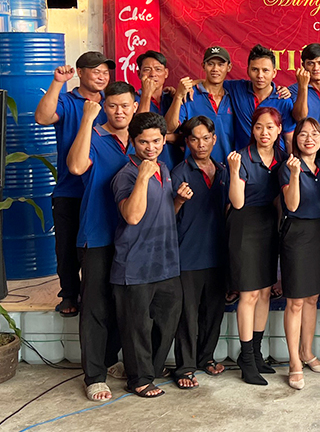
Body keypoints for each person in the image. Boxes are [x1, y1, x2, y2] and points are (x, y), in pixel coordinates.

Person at [66, 81, 137, 402]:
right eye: (112, 106)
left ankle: (111, 359)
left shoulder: (140, 141)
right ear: (103, 106)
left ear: (135, 106)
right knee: (95, 306)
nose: (119, 112)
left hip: (131, 238)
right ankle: (94, 375)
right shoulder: (92, 136)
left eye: (125, 106)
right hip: (96, 235)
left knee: (123, 303)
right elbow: (76, 166)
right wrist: (86, 119)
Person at [111, 112, 186, 398]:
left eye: (156, 141)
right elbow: (132, 216)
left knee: (167, 322)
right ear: (133, 142)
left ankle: (151, 369)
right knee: (137, 327)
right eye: (143, 142)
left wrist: (178, 201)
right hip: (135, 265)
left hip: (166, 262)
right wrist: (142, 177)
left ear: (164, 140)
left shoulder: (164, 169)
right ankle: (139, 379)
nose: (151, 147)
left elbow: (164, 212)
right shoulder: (127, 175)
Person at [35, 51, 113, 318]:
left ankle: (101, 294)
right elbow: (43, 117)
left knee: (101, 248)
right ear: (80, 72)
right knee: (67, 246)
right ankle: (69, 293)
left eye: (105, 72)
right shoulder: (68, 101)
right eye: (96, 71)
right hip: (71, 189)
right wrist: (58, 82)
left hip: (104, 189)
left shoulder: (112, 102)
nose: (102, 76)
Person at [226, 107, 285, 385]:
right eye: (259, 127)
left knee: (264, 292)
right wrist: (233, 170)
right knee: (248, 294)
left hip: (268, 225)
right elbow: (237, 202)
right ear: (252, 129)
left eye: (270, 127)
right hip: (244, 225)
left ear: (279, 130)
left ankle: (257, 353)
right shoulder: (242, 157)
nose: (264, 132)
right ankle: (246, 358)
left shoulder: (282, 157)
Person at [171, 116, 229, 388]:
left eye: (206, 138)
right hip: (188, 255)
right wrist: (179, 200)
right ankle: (185, 368)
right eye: (194, 139)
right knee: (187, 315)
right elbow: (166, 215)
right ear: (187, 142)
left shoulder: (224, 171)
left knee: (213, 312)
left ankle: (206, 357)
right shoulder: (179, 173)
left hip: (218, 254)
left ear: (214, 139)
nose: (201, 144)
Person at [279, 117, 320, 390]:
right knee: (296, 302)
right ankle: (294, 362)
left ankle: (307, 352)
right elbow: (292, 204)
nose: (309, 139)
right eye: (303, 134)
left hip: (319, 234)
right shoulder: (288, 166)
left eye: (314, 134)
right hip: (297, 235)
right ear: (295, 139)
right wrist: (294, 174)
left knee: (312, 298)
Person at [166, 46, 236, 164]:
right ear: (203, 66)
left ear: (229, 67)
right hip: (194, 168)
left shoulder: (234, 95)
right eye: (210, 64)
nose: (215, 69)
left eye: (220, 64)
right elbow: (169, 128)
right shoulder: (189, 94)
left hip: (228, 168)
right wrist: (178, 96)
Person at [223, 44, 296, 151]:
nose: (260, 75)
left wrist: (291, 160)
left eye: (265, 70)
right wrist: (196, 83)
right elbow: (211, 84)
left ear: (274, 73)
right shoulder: (236, 89)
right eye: (255, 69)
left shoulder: (283, 99)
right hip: (244, 158)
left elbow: (289, 139)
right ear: (248, 70)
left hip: (276, 158)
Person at [290, 43, 320, 172]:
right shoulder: (293, 91)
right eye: (310, 63)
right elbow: (300, 117)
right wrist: (303, 87)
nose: (316, 68)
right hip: (304, 165)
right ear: (303, 66)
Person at [135, 50, 181, 170]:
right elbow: (138, 131)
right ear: (139, 73)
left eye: (158, 69)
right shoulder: (132, 99)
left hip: (175, 165)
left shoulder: (172, 99)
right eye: (147, 69)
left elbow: (184, 138)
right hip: (144, 167)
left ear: (166, 73)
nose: (153, 74)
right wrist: (146, 94)